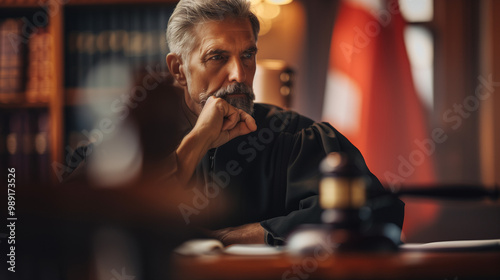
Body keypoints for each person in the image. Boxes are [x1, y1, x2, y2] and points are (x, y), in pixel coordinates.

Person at [161, 0, 404, 246]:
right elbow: (128, 220)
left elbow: (380, 210)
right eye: (217, 57)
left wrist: (239, 237)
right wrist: (199, 139)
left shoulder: (294, 136)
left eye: (247, 55)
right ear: (179, 69)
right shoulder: (141, 145)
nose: (239, 74)